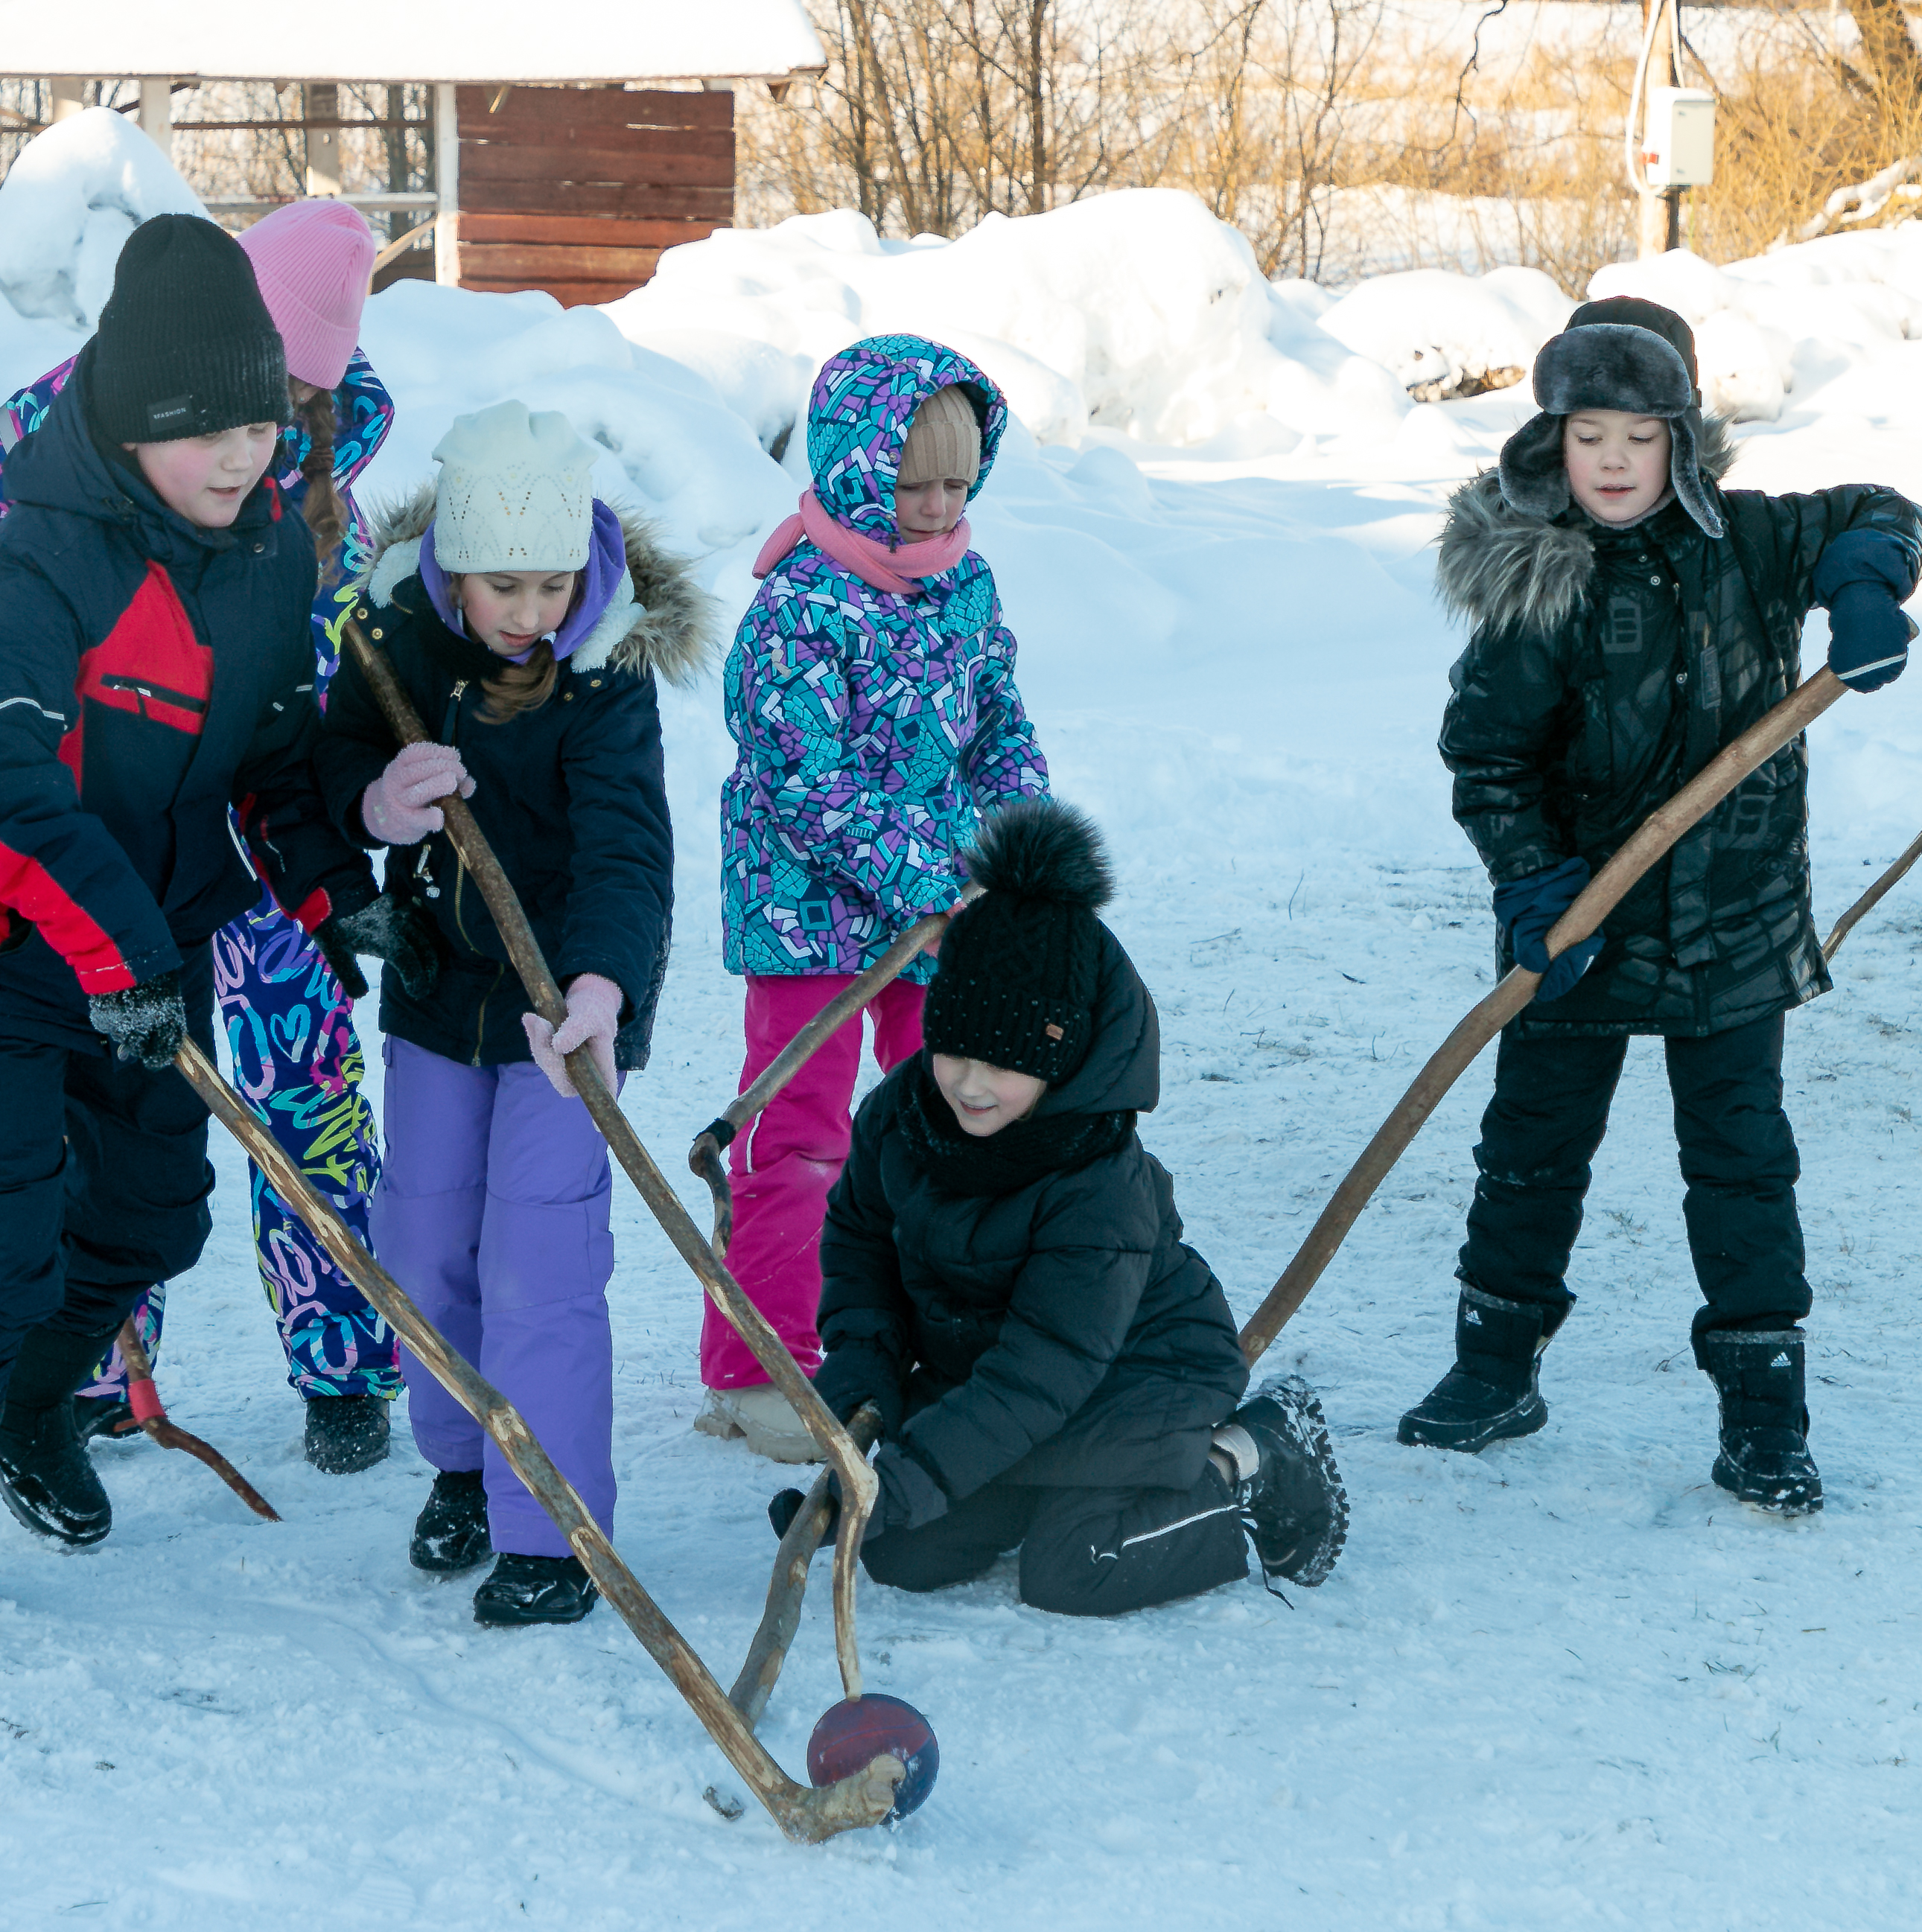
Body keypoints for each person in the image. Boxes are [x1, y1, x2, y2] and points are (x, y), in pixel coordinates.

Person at [0, 216, 403, 1629]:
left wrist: (325, 881)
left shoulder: (271, 550)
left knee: (151, 1213)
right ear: (135, 421)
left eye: (258, 422)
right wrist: (116, 954)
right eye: (209, 429)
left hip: (145, 934)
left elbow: (273, 757)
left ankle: (37, 1406)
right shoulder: (46, 561)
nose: (244, 453)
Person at [1401, 296, 1918, 1515]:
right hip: (1574, 936)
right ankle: (1492, 1371)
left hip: (1731, 933)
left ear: (1680, 437)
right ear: (1551, 443)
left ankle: (1762, 1418)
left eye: (1641, 435)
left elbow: (1880, 513)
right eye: (1591, 436)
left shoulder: (1746, 544)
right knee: (1528, 1156)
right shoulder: (1535, 584)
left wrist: (1858, 583)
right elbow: (1485, 762)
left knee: (1740, 1167)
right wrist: (1532, 883)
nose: (1616, 462)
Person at [316, 401, 712, 1627]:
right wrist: (378, 806)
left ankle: (547, 1522)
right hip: (442, 990)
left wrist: (601, 985)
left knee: (538, 1261)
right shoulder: (393, 640)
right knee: (426, 1239)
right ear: (451, 568)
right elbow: (322, 770)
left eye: (550, 584)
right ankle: (461, 1468)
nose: (531, 613)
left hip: (562, 1011)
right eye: (503, 588)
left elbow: (624, 850)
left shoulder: (603, 664)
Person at [784, 799, 1348, 1614]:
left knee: (1076, 1566)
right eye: (954, 1050)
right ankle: (1034, 1484)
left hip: (1129, 1377)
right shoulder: (900, 1117)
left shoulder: (1096, 1183)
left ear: (1064, 1055)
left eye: (1006, 1063)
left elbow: (1044, 1368)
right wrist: (861, 1386)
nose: (971, 1085)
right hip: (997, 1380)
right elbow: (860, 1245)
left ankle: (1249, 1455)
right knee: (902, 1550)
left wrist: (906, 1479)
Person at [708, 335, 1050, 1463]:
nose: (938, 504)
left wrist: (1013, 842)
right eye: (915, 484)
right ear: (858, 468)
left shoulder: (962, 583)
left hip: (936, 912)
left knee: (933, 1123)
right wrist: (930, 875)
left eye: (958, 481)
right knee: (799, 1134)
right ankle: (757, 1360)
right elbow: (806, 780)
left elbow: (998, 725)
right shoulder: (801, 605)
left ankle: (900, 1337)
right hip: (810, 912)